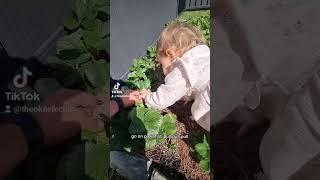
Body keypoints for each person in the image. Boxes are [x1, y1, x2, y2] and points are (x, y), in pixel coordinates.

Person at [138, 22, 210, 131]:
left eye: (161, 64)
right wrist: (188, 95)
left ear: (171, 55)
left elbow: (163, 99)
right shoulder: (203, 53)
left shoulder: (182, 69)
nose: (161, 69)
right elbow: (198, 79)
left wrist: (148, 96)